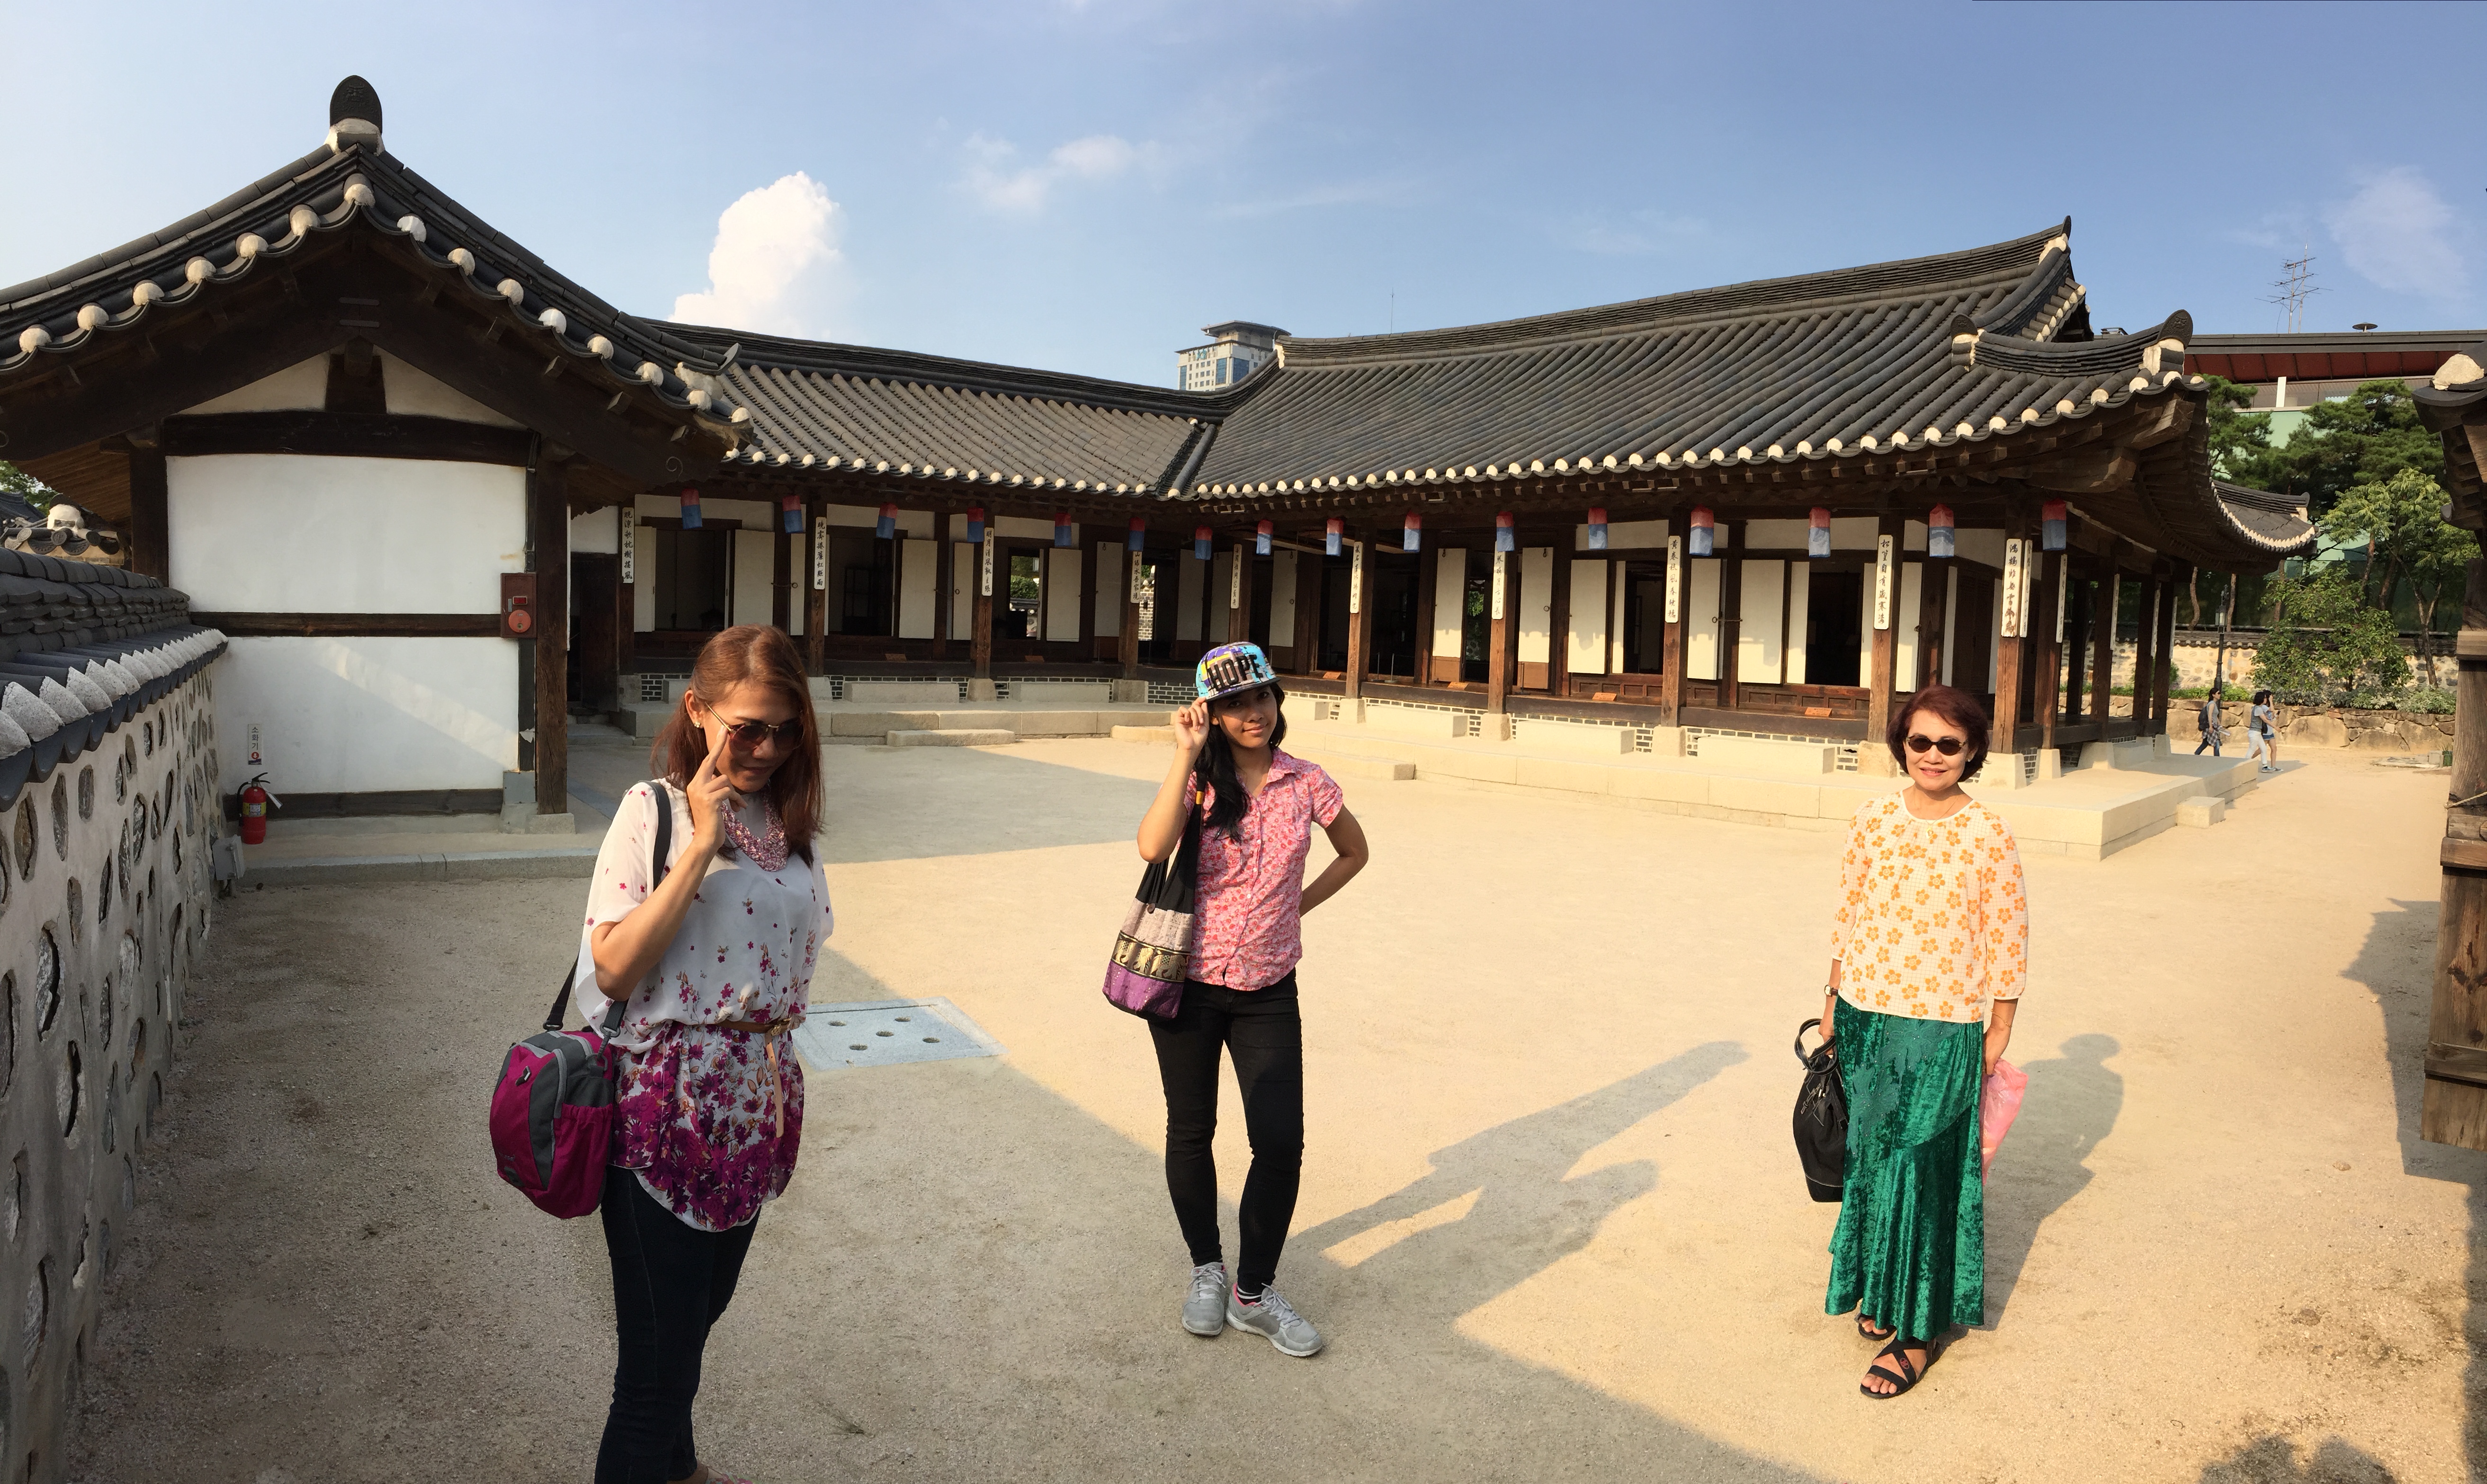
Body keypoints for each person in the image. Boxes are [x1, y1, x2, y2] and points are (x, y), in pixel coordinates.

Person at [575, 626, 830, 1484]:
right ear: (697, 709)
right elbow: (613, 967)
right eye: (746, 728)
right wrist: (697, 845)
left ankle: (679, 1471)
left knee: (691, 1329)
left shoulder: (787, 824)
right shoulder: (650, 810)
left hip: (752, 1111)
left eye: (785, 730)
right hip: (666, 1113)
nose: (765, 748)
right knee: (653, 1374)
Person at [1134, 641, 1370, 1358]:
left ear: (1277, 699)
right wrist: (1185, 753)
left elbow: (1355, 851)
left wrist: (1297, 907)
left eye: (1260, 696)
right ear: (1213, 713)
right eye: (1233, 704)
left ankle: (1253, 1291)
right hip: (1189, 984)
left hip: (1269, 986)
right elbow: (1151, 847)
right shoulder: (1201, 783)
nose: (1252, 713)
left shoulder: (1307, 781)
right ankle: (1207, 1268)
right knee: (1190, 1129)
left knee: (1279, 1142)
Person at [1820, 682, 2028, 1399]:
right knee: (1873, 1159)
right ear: (1900, 744)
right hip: (1865, 1012)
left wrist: (2000, 1025)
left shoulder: (1988, 831)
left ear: (1971, 752)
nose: (1932, 755)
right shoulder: (1872, 817)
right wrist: (1830, 999)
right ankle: (1881, 1288)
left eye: (1948, 743)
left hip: (1943, 1021)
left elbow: (2007, 933)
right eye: (1919, 740)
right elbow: (1849, 910)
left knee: (1924, 1164)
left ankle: (1919, 1328)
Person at [2248, 689, 2280, 772]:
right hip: (2254, 732)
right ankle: (2243, 764)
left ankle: (2265, 767)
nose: (2266, 699)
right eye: (2265, 698)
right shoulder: (2258, 709)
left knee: (2263, 749)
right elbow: (2265, 720)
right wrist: (2275, 727)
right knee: (2252, 750)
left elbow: (2268, 718)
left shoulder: (2258, 708)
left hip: (2257, 732)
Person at [2192, 686, 2224, 756]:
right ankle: (2217, 759)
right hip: (2211, 726)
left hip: (2213, 726)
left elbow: (2215, 716)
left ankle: (2196, 754)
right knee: (2216, 744)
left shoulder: (2213, 704)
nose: (2220, 695)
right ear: (2214, 695)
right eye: (2218, 693)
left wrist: (2220, 725)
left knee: (2205, 743)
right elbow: (2210, 715)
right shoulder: (2212, 704)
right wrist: (2210, 727)